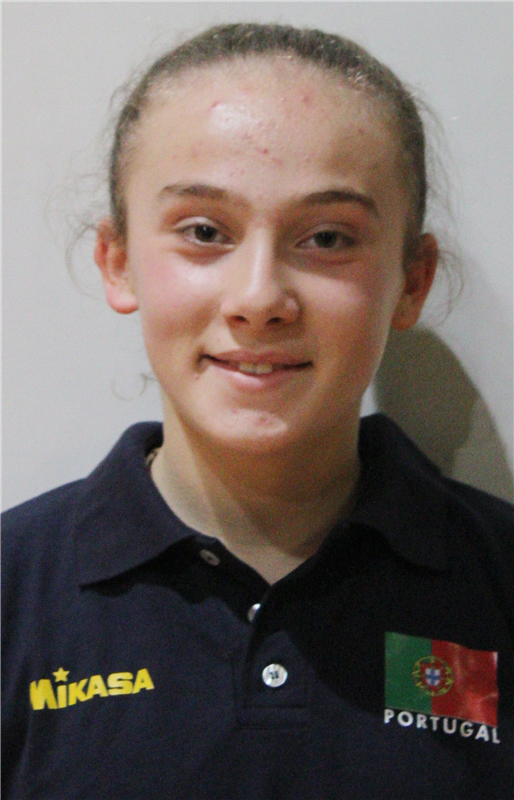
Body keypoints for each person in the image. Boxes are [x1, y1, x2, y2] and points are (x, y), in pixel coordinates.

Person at [1, 22, 512, 800]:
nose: (260, 298)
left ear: (412, 281)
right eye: (205, 232)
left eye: (328, 238)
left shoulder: (497, 580)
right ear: (119, 260)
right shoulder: (14, 592)